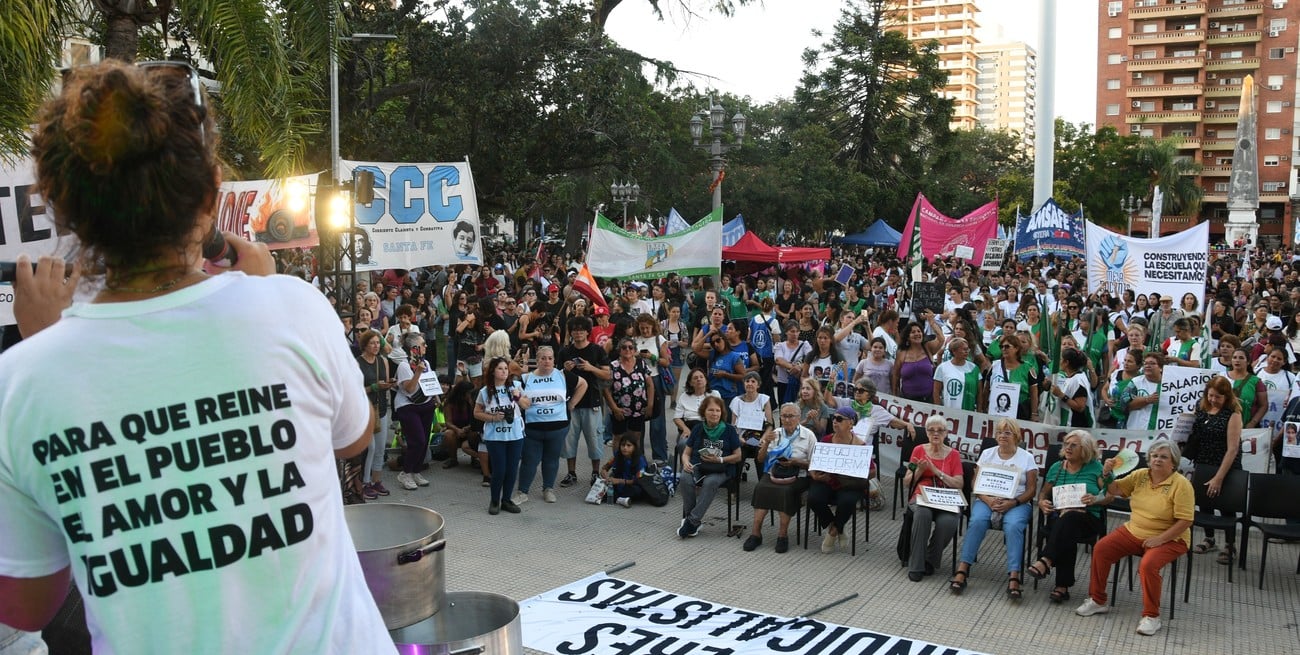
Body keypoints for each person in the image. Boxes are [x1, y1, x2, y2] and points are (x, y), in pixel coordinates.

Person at [0, 60, 391, 651]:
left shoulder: (19, 382)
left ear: (62, 208)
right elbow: (356, 437)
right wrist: (269, 292)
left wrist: (46, 348)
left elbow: (27, 604)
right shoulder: (292, 309)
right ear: (209, 195)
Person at [1077, 441, 1193, 637]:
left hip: (1171, 537)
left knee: (1147, 565)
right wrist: (1106, 474)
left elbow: (1186, 520)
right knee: (1102, 548)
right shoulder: (1141, 476)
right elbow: (1114, 490)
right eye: (1155, 455)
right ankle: (1098, 600)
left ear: (1173, 462)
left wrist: (1160, 539)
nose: (1157, 459)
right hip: (1135, 530)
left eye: (1163, 457)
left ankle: (1152, 617)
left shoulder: (1181, 484)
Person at [950, 418, 1038, 598]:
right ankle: (963, 568)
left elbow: (1031, 490)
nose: (1002, 436)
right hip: (987, 499)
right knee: (977, 521)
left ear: (1016, 436)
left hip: (1016, 502)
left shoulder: (1027, 458)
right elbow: (975, 482)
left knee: (1013, 526)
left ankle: (1014, 574)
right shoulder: (988, 454)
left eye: (1007, 432)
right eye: (999, 432)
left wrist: (1013, 502)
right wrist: (988, 500)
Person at [1030, 430, 1111, 604]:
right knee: (1066, 525)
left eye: (1073, 445)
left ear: (1086, 448)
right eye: (1066, 444)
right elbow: (1043, 493)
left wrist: (1095, 499)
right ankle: (1061, 586)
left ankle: (1046, 560)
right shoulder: (1057, 467)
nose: (1068, 448)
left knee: (1070, 519)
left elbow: (1110, 496)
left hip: (1088, 518)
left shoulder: (1096, 467)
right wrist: (1043, 503)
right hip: (1060, 517)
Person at [516, 346, 586, 505]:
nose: (546, 361)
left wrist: (572, 403)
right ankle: (522, 491)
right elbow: (513, 392)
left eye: (550, 358)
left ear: (554, 360)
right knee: (529, 461)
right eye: (542, 358)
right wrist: (520, 402)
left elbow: (583, 384)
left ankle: (548, 489)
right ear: (537, 360)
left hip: (557, 429)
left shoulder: (562, 375)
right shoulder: (526, 378)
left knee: (551, 460)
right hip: (533, 429)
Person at [742, 403, 815, 553]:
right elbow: (761, 460)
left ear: (798, 417)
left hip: (798, 475)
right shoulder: (776, 433)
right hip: (775, 472)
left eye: (791, 416)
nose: (787, 420)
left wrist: (795, 462)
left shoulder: (808, 435)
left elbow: (814, 464)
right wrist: (767, 442)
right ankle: (755, 533)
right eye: (784, 416)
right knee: (762, 487)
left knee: (785, 491)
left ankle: (783, 535)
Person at [1187, 376, 1244, 565]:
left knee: (1226, 506)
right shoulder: (1202, 408)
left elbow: (1233, 448)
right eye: (1210, 395)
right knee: (1204, 503)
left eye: (1218, 397)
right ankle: (1209, 538)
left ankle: (1230, 544)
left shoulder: (1233, 414)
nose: (1213, 400)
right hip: (1203, 462)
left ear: (1226, 396)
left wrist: (1219, 477)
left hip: (1225, 465)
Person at [902, 415, 965, 582]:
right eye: (931, 430)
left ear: (946, 433)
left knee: (949, 522)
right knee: (923, 514)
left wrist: (936, 471)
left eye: (940, 430)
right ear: (927, 433)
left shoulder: (954, 455)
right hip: (921, 495)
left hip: (945, 496)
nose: (936, 434)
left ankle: (929, 559)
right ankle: (916, 566)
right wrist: (920, 471)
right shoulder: (918, 451)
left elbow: (959, 483)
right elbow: (907, 481)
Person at [808, 407, 872, 554]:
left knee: (847, 501)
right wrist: (814, 475)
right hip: (827, 480)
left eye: (839, 419)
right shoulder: (826, 440)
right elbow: (814, 462)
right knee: (813, 498)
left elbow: (872, 472)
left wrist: (857, 470)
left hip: (849, 484)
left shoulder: (860, 445)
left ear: (851, 423)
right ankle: (838, 526)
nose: (835, 422)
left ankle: (832, 534)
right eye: (834, 419)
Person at [677, 396, 742, 538]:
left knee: (710, 482)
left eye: (717, 410)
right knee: (685, 478)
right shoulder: (698, 428)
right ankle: (692, 521)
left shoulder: (729, 430)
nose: (714, 413)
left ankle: (692, 521)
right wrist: (685, 462)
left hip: (721, 468)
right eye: (711, 410)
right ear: (704, 412)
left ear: (722, 413)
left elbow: (738, 456)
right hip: (698, 464)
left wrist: (719, 459)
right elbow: (686, 452)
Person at [558, 316, 611, 488]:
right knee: (569, 439)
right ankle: (571, 472)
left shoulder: (597, 350)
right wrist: (564, 370)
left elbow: (607, 374)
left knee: (594, 438)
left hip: (592, 400)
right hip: (570, 402)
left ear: (588, 331)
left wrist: (590, 367)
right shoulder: (565, 351)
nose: (578, 333)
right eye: (575, 330)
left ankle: (595, 472)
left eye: (581, 330)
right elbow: (556, 376)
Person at [475, 357, 530, 514]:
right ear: (493, 371)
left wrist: (518, 397)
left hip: (515, 435)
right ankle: (494, 500)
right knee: (499, 469)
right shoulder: (485, 392)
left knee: (512, 469)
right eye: (500, 368)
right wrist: (493, 418)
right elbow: (477, 413)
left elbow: (527, 405)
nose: (504, 371)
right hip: (495, 436)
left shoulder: (516, 386)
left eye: (506, 368)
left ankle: (506, 499)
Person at [394, 333, 440, 490]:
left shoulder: (425, 362)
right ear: (414, 348)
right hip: (408, 406)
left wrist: (436, 397)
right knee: (417, 440)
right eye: (422, 344)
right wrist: (418, 372)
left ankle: (416, 470)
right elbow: (409, 388)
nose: (425, 346)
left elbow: (430, 381)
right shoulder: (404, 366)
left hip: (426, 404)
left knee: (424, 440)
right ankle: (405, 472)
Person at [357, 330, 395, 499]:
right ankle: (364, 482)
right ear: (365, 345)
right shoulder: (357, 363)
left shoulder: (383, 361)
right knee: (370, 447)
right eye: (372, 343)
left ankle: (376, 481)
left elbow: (385, 382)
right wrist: (373, 388)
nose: (376, 346)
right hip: (365, 409)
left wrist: (388, 385)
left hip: (380, 408)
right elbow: (354, 390)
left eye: (378, 343)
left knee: (380, 448)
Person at [605, 337, 656, 455]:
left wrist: (650, 405)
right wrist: (614, 408)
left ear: (634, 350)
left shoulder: (641, 364)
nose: (627, 350)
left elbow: (649, 385)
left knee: (635, 438)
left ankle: (635, 465)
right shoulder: (613, 366)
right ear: (619, 350)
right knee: (618, 437)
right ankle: (618, 464)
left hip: (638, 410)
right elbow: (606, 390)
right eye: (624, 347)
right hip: (619, 410)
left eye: (630, 347)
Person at [600, 437, 647, 507]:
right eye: (623, 445)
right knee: (597, 484)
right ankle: (621, 499)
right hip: (617, 483)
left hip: (630, 484)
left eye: (628, 445)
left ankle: (617, 498)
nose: (625, 448)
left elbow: (638, 480)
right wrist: (606, 477)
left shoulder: (640, 460)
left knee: (636, 490)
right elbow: (604, 468)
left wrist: (619, 481)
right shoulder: (617, 455)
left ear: (634, 447)